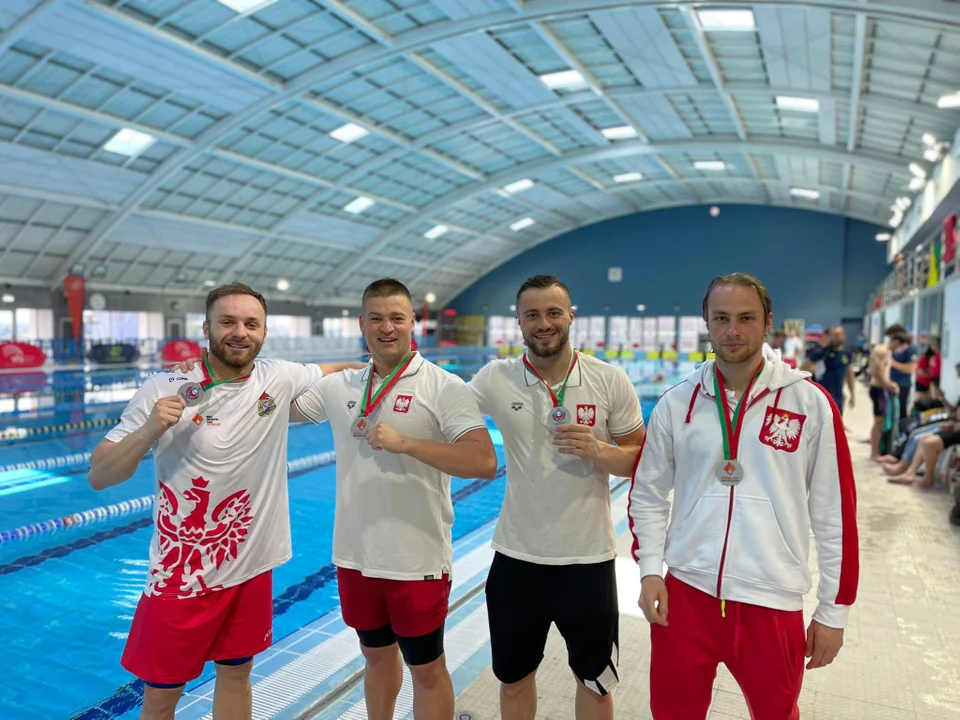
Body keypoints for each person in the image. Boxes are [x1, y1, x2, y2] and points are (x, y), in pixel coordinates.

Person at [87, 283, 363, 720]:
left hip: (250, 567)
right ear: (207, 328)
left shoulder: (278, 376)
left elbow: (343, 370)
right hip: (181, 577)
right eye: (228, 322)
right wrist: (148, 431)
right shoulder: (166, 385)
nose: (240, 332)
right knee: (161, 697)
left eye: (251, 324)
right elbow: (100, 476)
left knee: (237, 675)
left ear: (265, 331)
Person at [629, 272, 859, 720]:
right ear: (707, 323)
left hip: (771, 601)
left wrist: (834, 613)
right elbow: (648, 494)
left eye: (746, 318)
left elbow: (836, 515)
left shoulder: (810, 404)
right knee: (673, 713)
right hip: (686, 595)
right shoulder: (677, 404)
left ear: (768, 322)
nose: (733, 330)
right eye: (722, 318)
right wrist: (650, 571)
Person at [292, 278, 497, 720]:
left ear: (413, 324)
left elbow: (483, 461)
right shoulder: (341, 386)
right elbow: (272, 407)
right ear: (363, 324)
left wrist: (407, 444)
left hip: (416, 559)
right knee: (376, 658)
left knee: (427, 669)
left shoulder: (445, 386)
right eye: (377, 318)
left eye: (397, 318)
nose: (388, 328)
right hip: (355, 556)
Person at [468, 275, 646, 720]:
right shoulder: (495, 378)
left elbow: (643, 458)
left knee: (596, 683)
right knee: (511, 680)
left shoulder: (608, 379)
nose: (543, 323)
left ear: (571, 315)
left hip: (587, 560)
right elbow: (441, 411)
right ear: (519, 322)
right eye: (532, 314)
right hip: (516, 558)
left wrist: (599, 450)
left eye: (553, 312)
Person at [805, 325, 855, 415]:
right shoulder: (824, 352)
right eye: (833, 335)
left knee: (838, 419)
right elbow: (805, 364)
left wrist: (852, 395)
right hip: (823, 394)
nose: (835, 338)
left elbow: (850, 374)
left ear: (844, 336)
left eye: (837, 335)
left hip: (838, 394)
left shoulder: (847, 353)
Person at [867, 342, 900, 460]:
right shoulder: (881, 351)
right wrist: (890, 385)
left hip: (879, 388)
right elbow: (877, 372)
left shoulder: (881, 350)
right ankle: (874, 453)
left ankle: (875, 452)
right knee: (879, 422)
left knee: (879, 422)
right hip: (879, 389)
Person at [885, 325, 918, 419]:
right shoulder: (894, 349)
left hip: (902, 385)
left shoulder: (911, 349)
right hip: (890, 383)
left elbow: (911, 368)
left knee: (900, 411)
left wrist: (893, 363)